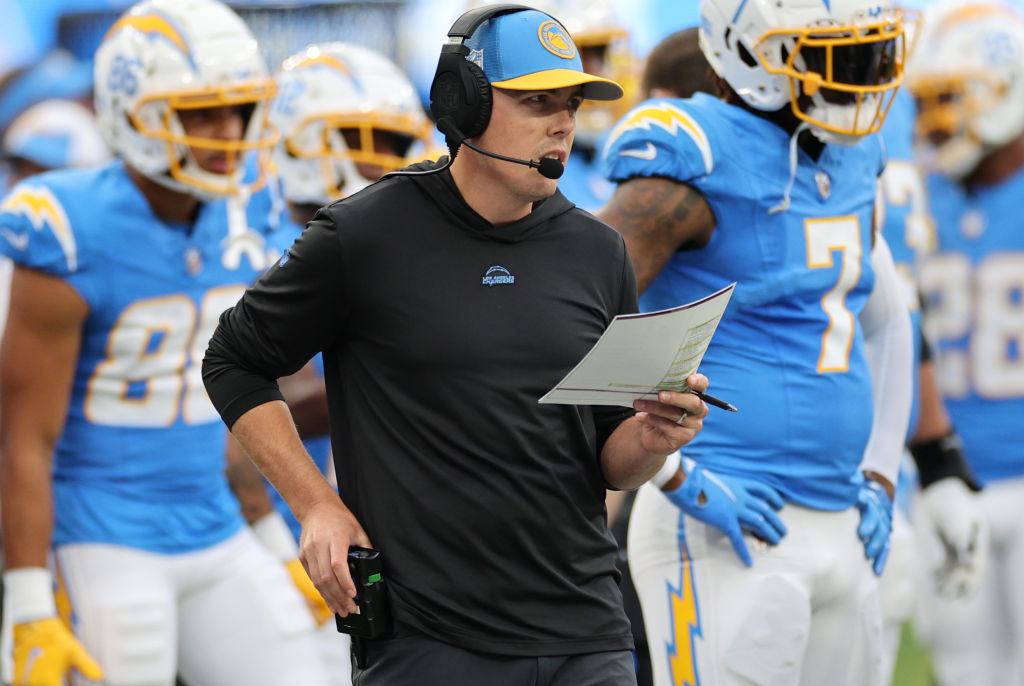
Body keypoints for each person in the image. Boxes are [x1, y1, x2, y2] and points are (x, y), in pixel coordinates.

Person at [202, 5, 711, 685]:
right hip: (430, 642)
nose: (562, 120)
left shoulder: (598, 251)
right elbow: (232, 361)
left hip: (587, 628)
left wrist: (651, 437)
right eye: (536, 101)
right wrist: (315, 504)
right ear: (462, 103)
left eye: (569, 101)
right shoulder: (365, 235)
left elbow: (610, 460)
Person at [0, 1, 334, 684]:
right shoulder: (68, 224)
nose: (225, 132)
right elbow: (22, 438)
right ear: (135, 114)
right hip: (101, 536)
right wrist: (27, 601)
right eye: (200, 112)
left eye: (236, 109)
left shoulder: (248, 213)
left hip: (214, 526)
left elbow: (219, 405)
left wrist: (274, 540)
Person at [597, 1, 914, 684]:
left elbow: (889, 318)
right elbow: (583, 320)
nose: (861, 76)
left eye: (868, 52)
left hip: (843, 516)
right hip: (723, 515)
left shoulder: (853, 159)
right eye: (836, 57)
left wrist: (883, 471)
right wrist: (675, 476)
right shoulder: (695, 150)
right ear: (754, 55)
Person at [905, 2, 1024, 683]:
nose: (938, 119)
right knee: (966, 669)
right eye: (930, 101)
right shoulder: (913, 196)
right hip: (949, 477)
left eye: (954, 98)